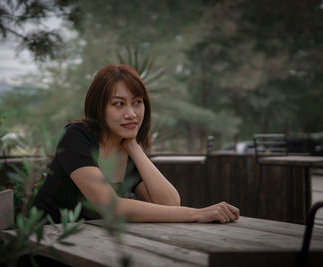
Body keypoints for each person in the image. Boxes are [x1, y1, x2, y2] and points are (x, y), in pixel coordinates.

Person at [33, 64, 239, 224]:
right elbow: (110, 206)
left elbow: (169, 203)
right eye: (119, 104)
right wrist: (196, 214)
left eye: (137, 102)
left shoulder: (126, 149)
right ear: (99, 109)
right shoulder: (77, 137)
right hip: (47, 246)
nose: (131, 114)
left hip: (93, 245)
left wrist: (134, 146)